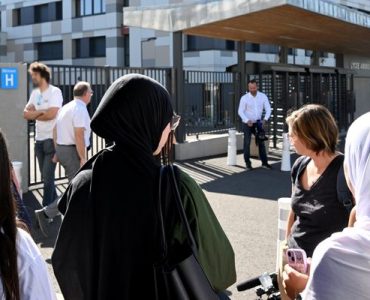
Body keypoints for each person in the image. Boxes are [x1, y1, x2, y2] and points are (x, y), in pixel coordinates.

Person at [52, 74, 236, 299]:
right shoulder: (174, 186)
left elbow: (65, 263)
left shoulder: (83, 183)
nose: (170, 129)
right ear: (149, 120)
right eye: (169, 122)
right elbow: (221, 270)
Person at [283, 112, 370, 299]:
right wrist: (286, 246)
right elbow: (294, 208)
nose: (289, 138)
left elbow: (355, 215)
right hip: (296, 262)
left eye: (293, 134)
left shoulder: (342, 171)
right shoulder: (300, 165)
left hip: (324, 268)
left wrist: (301, 286)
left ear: (310, 135)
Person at [0, 130, 56, 300]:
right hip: (46, 144)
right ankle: (46, 212)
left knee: (51, 183)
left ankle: (46, 211)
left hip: (49, 145)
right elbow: (27, 114)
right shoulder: (19, 248)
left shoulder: (19, 248)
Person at [34, 81, 92, 237]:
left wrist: (58, 150)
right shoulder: (79, 109)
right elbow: (79, 134)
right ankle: (46, 213)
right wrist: (83, 157)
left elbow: (55, 130)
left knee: (75, 186)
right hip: (72, 151)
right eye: (91, 92)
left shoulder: (66, 107)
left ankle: (72, 219)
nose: (92, 95)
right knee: (76, 188)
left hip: (64, 148)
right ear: (85, 94)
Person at [23, 62, 63, 208]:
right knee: (46, 177)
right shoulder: (35, 93)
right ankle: (56, 204)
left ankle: (45, 212)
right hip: (38, 141)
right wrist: (42, 112)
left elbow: (52, 114)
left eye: (34, 74)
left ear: (43, 75)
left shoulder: (55, 92)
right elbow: (25, 114)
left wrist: (36, 113)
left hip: (51, 141)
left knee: (47, 178)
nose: (32, 77)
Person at [238, 79, 272, 170]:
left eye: (254, 88)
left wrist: (265, 119)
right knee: (247, 142)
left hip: (258, 122)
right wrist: (246, 120)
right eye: (250, 88)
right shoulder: (244, 98)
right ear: (248, 87)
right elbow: (240, 111)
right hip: (247, 123)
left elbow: (268, 109)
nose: (252, 89)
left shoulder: (263, 96)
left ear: (257, 87)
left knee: (261, 142)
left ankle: (264, 163)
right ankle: (248, 164)